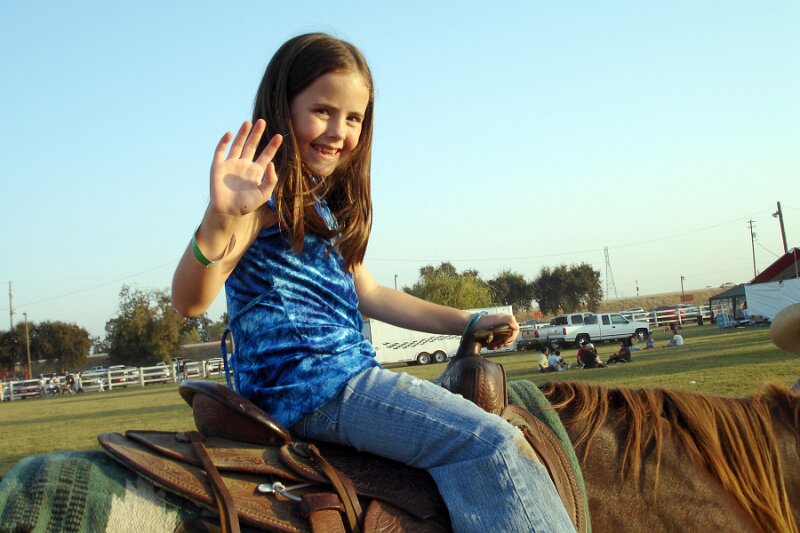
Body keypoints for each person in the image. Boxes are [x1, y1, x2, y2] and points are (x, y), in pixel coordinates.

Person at [170, 33, 572, 532]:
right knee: (491, 444)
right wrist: (217, 220)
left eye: (354, 118)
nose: (338, 131)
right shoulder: (261, 204)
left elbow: (373, 294)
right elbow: (191, 300)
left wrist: (467, 320)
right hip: (315, 387)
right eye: (322, 111)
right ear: (282, 106)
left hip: (345, 379)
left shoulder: (322, 209)